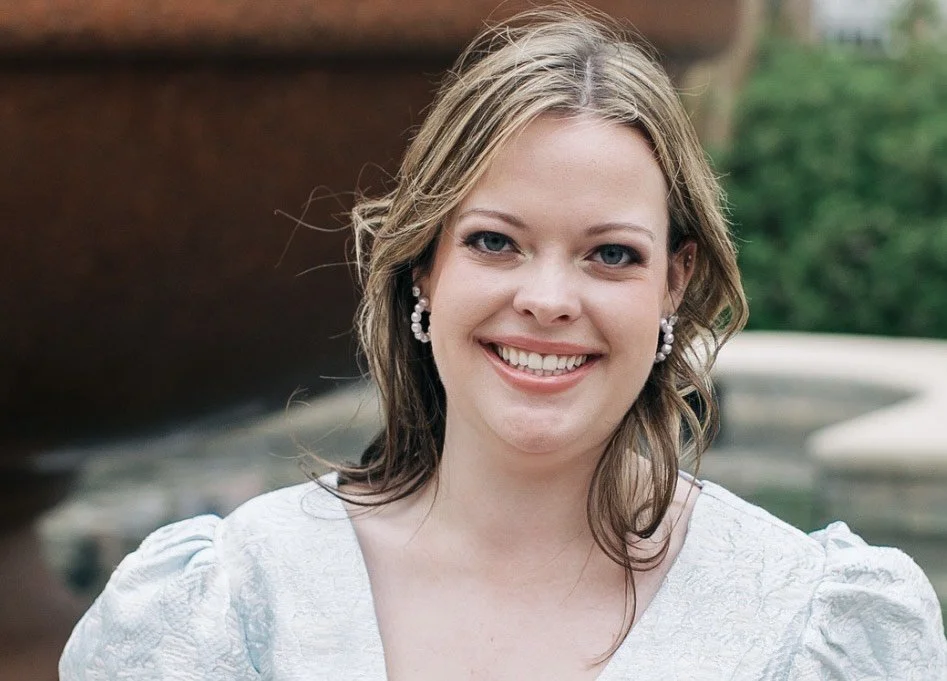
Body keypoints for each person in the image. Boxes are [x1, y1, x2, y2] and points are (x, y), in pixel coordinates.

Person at [60, 6, 947, 680]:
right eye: (495, 241)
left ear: (672, 284)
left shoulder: (809, 625)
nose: (548, 300)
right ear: (422, 267)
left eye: (609, 254)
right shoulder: (224, 607)